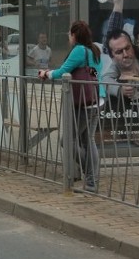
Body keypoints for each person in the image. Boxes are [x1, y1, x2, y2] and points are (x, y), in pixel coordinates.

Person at [39, 21, 103, 193]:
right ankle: (91, 181)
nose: (68, 37)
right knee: (87, 140)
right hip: (97, 100)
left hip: (84, 102)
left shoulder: (79, 50)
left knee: (67, 141)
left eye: (69, 34)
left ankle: (90, 176)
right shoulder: (94, 50)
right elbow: (95, 74)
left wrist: (46, 73)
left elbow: (63, 71)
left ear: (75, 35)